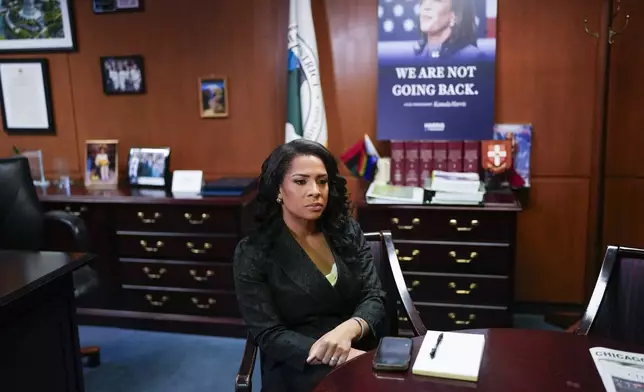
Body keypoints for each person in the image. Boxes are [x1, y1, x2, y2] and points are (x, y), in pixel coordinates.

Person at [233, 139, 387, 392]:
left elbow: (374, 296)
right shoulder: (253, 252)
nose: (315, 191)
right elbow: (269, 334)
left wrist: (350, 329)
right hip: (299, 362)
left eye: (322, 181)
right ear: (278, 190)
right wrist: (336, 353)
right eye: (301, 181)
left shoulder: (346, 231)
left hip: (360, 347)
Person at [414, 0, 481, 60]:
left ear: (454, 16)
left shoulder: (474, 58)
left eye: (437, 1)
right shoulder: (412, 58)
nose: (426, 7)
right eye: (423, 0)